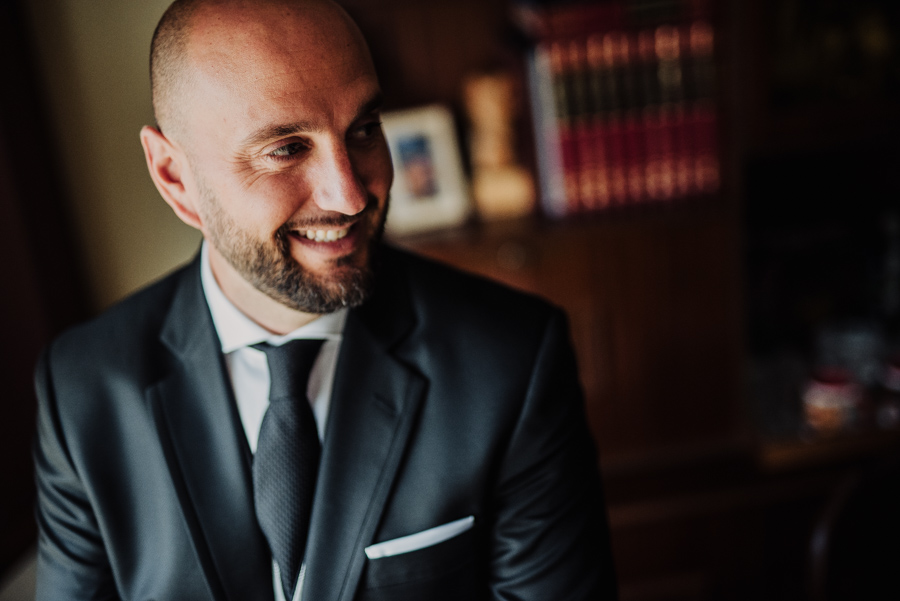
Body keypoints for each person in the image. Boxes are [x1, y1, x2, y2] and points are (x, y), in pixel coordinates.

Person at [32, 0, 617, 599]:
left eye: (364, 130)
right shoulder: (81, 392)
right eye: (285, 149)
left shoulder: (512, 360)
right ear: (176, 178)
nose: (350, 195)